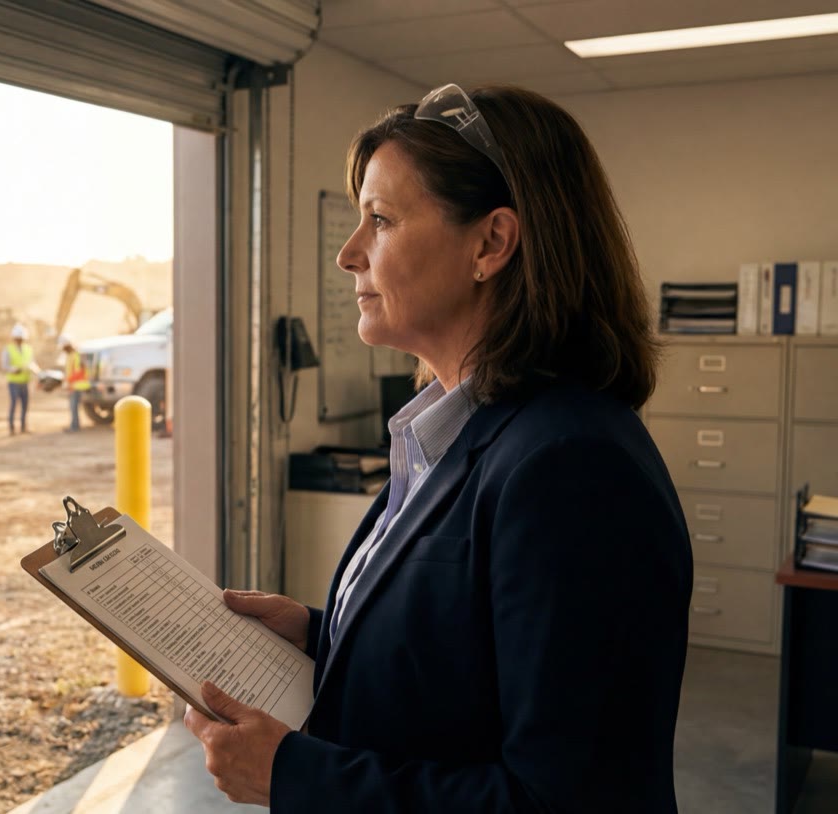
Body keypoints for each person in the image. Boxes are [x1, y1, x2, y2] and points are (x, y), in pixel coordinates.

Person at [184, 84, 691, 812]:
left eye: (381, 220)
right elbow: (474, 651)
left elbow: (566, 799)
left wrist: (296, 775)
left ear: (491, 243)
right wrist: (324, 635)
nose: (348, 254)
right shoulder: (452, 433)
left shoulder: (571, 465)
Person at [0, 324, 42, 435]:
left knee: (25, 405)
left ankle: (24, 427)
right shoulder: (8, 349)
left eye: (21, 339)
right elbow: (4, 365)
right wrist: (12, 369)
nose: (19, 341)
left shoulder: (28, 349)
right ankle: (11, 429)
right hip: (13, 382)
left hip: (25, 381)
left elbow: (32, 363)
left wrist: (37, 371)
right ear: (14, 338)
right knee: (14, 405)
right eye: (18, 339)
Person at [59, 334, 92, 433]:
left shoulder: (76, 355)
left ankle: (74, 426)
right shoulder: (70, 356)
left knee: (74, 407)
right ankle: (74, 425)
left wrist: (68, 381)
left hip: (78, 385)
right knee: (73, 407)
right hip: (73, 385)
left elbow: (79, 372)